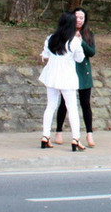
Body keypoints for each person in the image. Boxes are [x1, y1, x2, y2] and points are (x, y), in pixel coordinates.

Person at [39, 12, 86, 151]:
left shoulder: (50, 39)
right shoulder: (74, 41)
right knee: (72, 108)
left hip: (51, 76)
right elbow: (80, 59)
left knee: (50, 106)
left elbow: (45, 55)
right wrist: (80, 41)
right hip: (67, 77)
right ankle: (75, 138)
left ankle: (45, 136)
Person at [53, 8, 96, 148]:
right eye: (76, 17)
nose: (79, 20)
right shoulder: (65, 33)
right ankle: (58, 131)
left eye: (82, 18)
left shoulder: (88, 34)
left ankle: (89, 133)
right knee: (64, 104)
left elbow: (91, 52)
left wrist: (81, 41)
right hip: (69, 72)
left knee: (85, 104)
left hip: (84, 72)